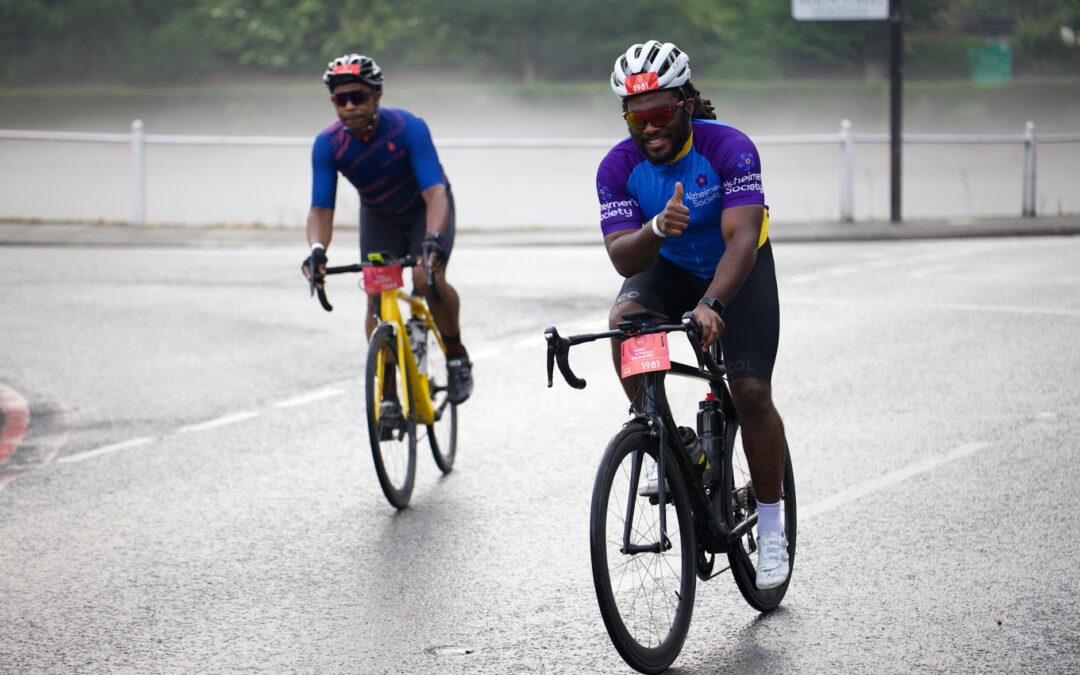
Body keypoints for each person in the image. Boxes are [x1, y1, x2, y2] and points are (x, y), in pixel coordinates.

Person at [595, 40, 789, 589]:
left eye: (659, 113)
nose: (648, 127)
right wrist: (656, 227)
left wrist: (712, 304)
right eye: (636, 116)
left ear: (685, 102)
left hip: (737, 269)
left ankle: (771, 528)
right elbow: (621, 258)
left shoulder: (730, 147)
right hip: (672, 265)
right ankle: (663, 436)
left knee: (749, 392)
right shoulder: (618, 166)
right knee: (626, 322)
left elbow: (743, 237)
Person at [302, 53, 473, 406]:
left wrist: (432, 240)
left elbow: (434, 191)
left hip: (425, 210)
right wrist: (318, 249)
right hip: (379, 216)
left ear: (376, 96)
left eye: (358, 97)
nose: (349, 107)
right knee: (377, 298)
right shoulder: (328, 144)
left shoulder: (408, 127)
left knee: (428, 279)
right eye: (340, 99)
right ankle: (390, 395)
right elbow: (321, 209)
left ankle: (456, 355)